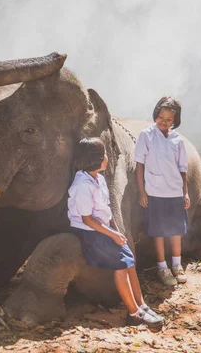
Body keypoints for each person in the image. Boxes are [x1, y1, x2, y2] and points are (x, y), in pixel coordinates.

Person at [68, 137, 164, 328]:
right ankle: (133, 314)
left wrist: (117, 231)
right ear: (94, 159)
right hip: (90, 232)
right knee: (121, 264)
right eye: (104, 154)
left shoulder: (99, 179)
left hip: (103, 228)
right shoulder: (82, 186)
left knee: (129, 261)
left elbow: (106, 209)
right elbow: (87, 219)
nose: (107, 157)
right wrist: (111, 235)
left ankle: (142, 305)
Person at [134, 96, 190, 286]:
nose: (163, 122)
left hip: (174, 191)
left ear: (175, 121)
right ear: (156, 114)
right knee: (158, 231)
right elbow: (139, 165)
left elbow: (183, 169)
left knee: (176, 231)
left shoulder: (178, 140)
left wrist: (185, 193)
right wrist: (142, 191)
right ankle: (162, 267)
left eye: (169, 120)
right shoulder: (146, 135)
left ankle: (177, 264)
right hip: (155, 192)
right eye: (161, 117)